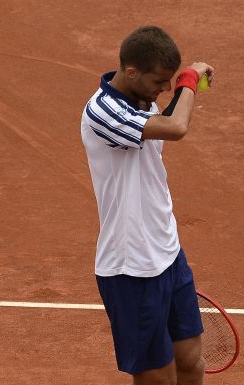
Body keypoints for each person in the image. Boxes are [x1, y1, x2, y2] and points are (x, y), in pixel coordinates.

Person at [80, 25, 214, 385]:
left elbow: (166, 116)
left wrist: (182, 82)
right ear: (131, 72)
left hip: (168, 251)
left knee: (191, 362)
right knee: (158, 378)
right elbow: (176, 127)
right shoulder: (102, 112)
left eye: (170, 81)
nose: (165, 89)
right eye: (161, 81)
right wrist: (189, 80)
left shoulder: (143, 98)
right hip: (131, 265)